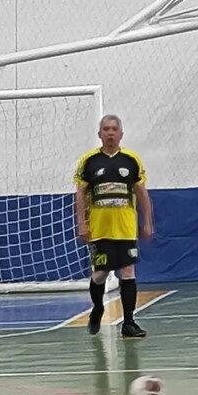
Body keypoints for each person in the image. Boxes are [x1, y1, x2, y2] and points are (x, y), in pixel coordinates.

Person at [74, 114, 154, 338]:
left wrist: (147, 221)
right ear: (99, 134)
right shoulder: (89, 161)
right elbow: (80, 193)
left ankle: (129, 323)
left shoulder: (131, 160)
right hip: (100, 230)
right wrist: (82, 223)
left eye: (114, 129)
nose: (110, 133)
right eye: (106, 129)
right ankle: (98, 308)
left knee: (128, 271)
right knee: (100, 274)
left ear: (121, 134)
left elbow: (142, 193)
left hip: (126, 228)